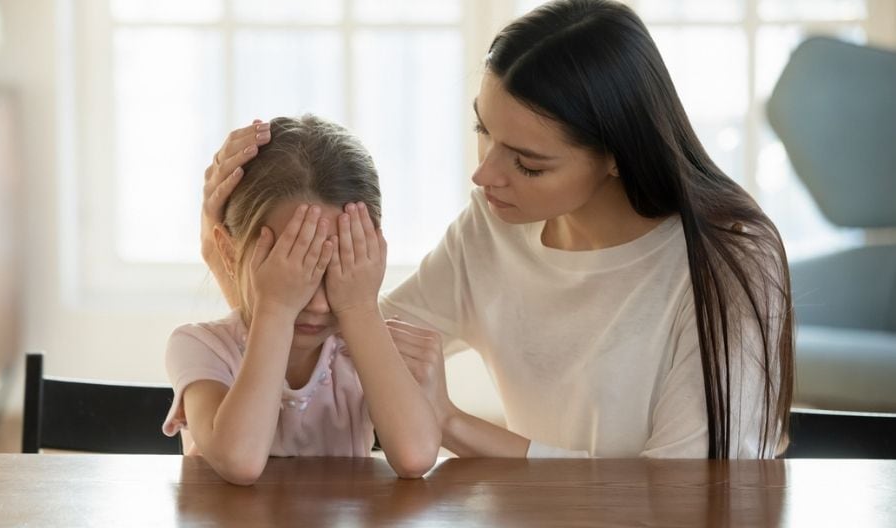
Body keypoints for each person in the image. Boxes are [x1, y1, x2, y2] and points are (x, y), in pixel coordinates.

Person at [201, 0, 793, 460]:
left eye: (527, 163)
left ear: (617, 154)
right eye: (483, 130)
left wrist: (454, 424)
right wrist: (225, 252)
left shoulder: (730, 263)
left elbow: (687, 493)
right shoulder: (496, 227)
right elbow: (338, 345)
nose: (484, 174)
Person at [164, 115, 441, 486]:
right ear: (229, 254)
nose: (319, 305)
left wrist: (359, 308)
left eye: (337, 270)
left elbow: (416, 456)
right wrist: (275, 309)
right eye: (293, 273)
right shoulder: (201, 347)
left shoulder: (359, 346)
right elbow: (240, 460)